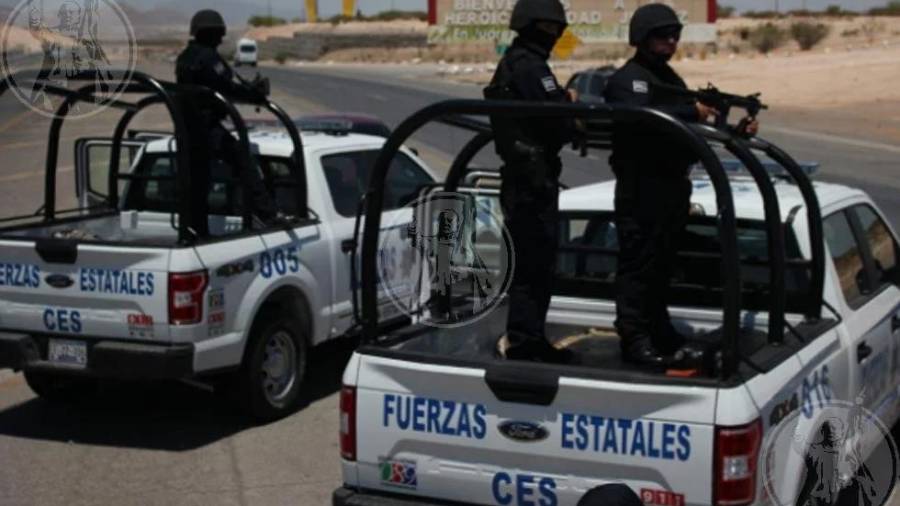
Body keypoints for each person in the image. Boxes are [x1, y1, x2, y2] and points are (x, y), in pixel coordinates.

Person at [603, 4, 758, 367]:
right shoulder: (630, 78)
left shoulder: (668, 80)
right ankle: (634, 337)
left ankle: (658, 330)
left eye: (675, 34)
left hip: (671, 188)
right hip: (641, 189)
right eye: (662, 35)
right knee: (638, 267)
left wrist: (733, 130)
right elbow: (641, 117)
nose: (671, 41)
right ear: (642, 38)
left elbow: (692, 128)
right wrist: (693, 112)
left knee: (661, 266)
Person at [484, 0, 576, 363]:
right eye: (551, 29)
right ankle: (526, 341)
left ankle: (527, 337)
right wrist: (570, 104)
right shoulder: (530, 67)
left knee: (531, 262)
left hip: (525, 175)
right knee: (535, 264)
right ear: (533, 26)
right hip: (531, 177)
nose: (554, 36)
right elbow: (559, 121)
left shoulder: (514, 62)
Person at [176, 9, 280, 236]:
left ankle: (195, 230)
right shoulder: (208, 58)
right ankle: (268, 214)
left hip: (186, 128)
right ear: (211, 34)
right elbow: (228, 87)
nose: (221, 39)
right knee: (244, 163)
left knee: (195, 184)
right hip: (207, 128)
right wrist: (254, 94)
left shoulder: (184, 57)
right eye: (219, 34)